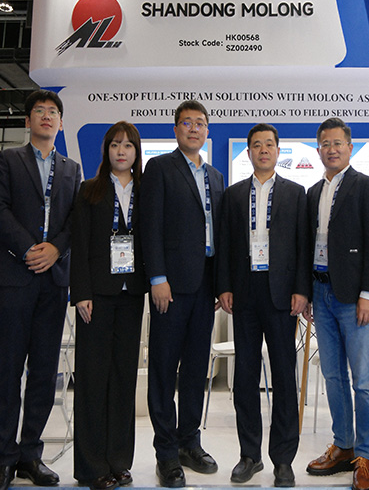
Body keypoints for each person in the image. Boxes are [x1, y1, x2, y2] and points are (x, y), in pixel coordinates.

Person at [0, 90, 81, 490]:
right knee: (9, 369)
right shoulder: (8, 159)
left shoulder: (72, 168)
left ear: (61, 122)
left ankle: (30, 455)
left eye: (53, 112)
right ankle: (5, 459)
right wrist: (29, 249)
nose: (46, 116)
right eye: (39, 111)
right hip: (16, 275)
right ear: (28, 121)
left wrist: (56, 249)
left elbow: (76, 219)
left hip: (54, 280)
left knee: (44, 371)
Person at [216, 123, 310, 487]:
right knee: (245, 377)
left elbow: (303, 246)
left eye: (269, 144)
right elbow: (225, 244)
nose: (263, 150)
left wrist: (302, 290)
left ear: (278, 150)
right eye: (257, 145)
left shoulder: (296, 193)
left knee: (284, 377)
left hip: (282, 294)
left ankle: (283, 460)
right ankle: (249, 455)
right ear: (249, 152)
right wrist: (224, 286)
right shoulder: (234, 195)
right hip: (244, 292)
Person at [140, 100, 225, 488]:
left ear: (207, 131)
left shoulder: (215, 176)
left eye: (200, 123)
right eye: (187, 123)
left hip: (205, 285)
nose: (194, 128)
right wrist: (157, 277)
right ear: (175, 130)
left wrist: (222, 284)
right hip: (170, 287)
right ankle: (167, 453)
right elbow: (150, 226)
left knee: (194, 368)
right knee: (163, 369)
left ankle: (190, 442)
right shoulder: (160, 168)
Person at [303, 117, 369, 490]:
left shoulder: (365, 186)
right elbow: (307, 246)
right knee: (333, 376)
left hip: (354, 298)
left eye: (338, 143)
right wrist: (306, 292)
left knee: (364, 380)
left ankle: (365, 456)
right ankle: (343, 445)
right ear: (318, 149)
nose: (332, 149)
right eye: (325, 143)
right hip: (320, 293)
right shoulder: (312, 192)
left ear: (349, 148)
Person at [70, 122, 148, 490]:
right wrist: (81, 292)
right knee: (92, 379)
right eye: (115, 144)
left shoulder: (146, 192)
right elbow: (80, 244)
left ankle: (119, 461)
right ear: (106, 150)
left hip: (132, 294)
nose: (121, 151)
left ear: (136, 152)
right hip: (96, 297)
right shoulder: (90, 191)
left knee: (123, 379)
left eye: (128, 145)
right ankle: (91, 467)